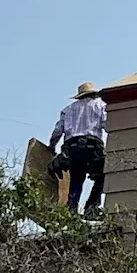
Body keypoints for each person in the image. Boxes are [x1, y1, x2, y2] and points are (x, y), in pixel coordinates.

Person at [48, 82, 108, 219]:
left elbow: (58, 131)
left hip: (72, 148)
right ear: (94, 94)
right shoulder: (100, 105)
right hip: (93, 146)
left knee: (76, 179)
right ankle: (91, 209)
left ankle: (71, 211)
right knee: (101, 177)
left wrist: (51, 146)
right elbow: (107, 125)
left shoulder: (68, 110)